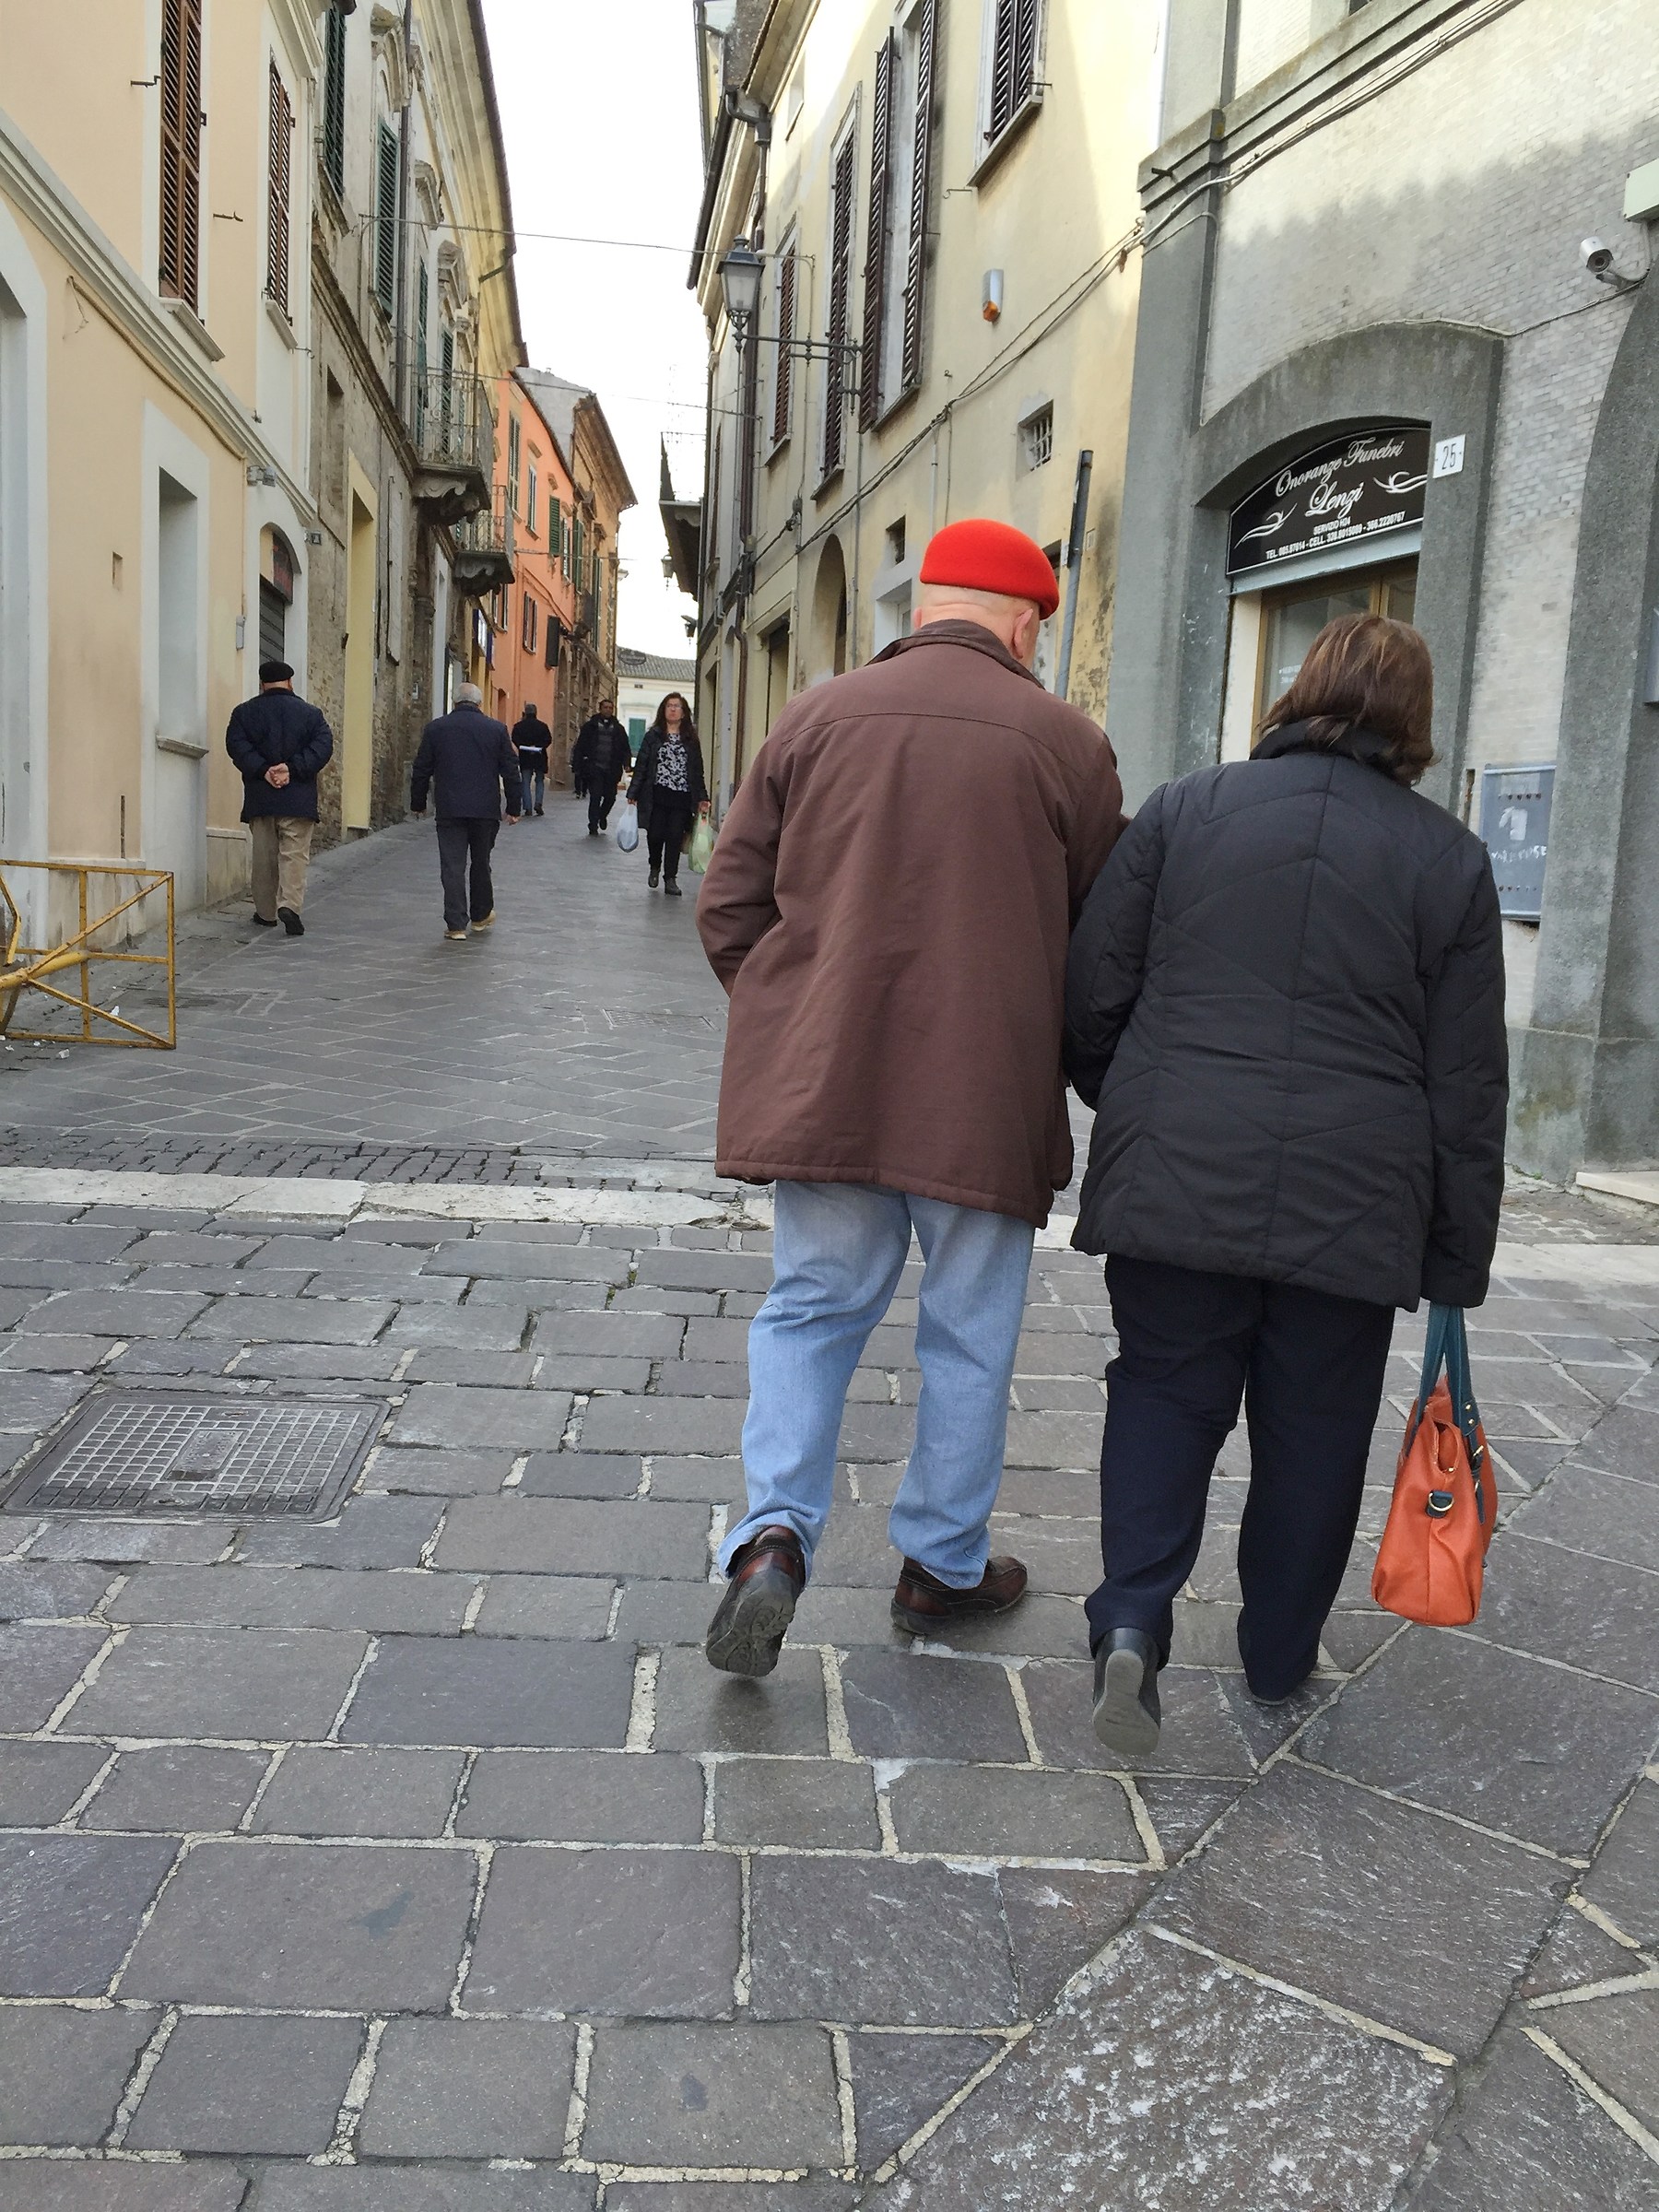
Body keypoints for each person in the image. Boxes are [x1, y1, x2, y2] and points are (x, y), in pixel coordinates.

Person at [1064, 612, 1508, 1758]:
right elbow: (1466, 1083)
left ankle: (1131, 1619)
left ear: (1297, 688)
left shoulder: (1186, 811)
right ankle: (1275, 1652)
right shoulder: (1449, 859)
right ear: (1412, 723)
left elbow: (1092, 992)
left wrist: (1145, 1101)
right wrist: (1456, 1257)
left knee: (1163, 1393)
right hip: (1356, 1200)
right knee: (1315, 1431)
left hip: (1178, 1174)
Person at [695, 520, 1124, 1676]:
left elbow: (728, 906)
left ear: (921, 606)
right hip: (982, 1098)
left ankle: (771, 1540)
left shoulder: (815, 717)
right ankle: (940, 1564)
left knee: (808, 1311)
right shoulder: (1067, 742)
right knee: (971, 1337)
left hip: (828, 1089)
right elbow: (1105, 948)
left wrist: (799, 1022)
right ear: (1028, 622)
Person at [224, 661, 335, 936]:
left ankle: (266, 913)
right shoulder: (311, 715)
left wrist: (263, 770)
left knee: (264, 857)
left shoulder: (243, 713)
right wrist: (291, 768)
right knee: (294, 855)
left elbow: (236, 746)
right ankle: (291, 906)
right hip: (298, 799)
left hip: (261, 798)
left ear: (262, 684)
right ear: (290, 682)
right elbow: (322, 747)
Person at [409, 682, 522, 940]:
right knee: (481, 863)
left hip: (449, 808)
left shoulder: (436, 729)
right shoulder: (496, 730)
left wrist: (418, 803)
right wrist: (513, 807)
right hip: (485, 809)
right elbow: (510, 770)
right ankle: (481, 916)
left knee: (452, 865)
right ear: (479, 703)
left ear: (454, 702)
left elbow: (422, 768)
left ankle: (456, 924)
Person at [628, 693, 708, 895]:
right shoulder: (653, 736)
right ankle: (654, 866)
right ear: (663, 711)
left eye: (677, 706)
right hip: (656, 794)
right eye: (669, 706)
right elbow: (643, 766)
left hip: (681, 796)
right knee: (655, 835)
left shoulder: (690, 739)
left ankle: (670, 878)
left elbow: (697, 770)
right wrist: (633, 792)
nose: (672, 709)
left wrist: (702, 797)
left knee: (674, 837)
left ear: (683, 712)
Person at [571, 700, 632, 837]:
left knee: (610, 798)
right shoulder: (590, 727)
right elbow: (580, 747)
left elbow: (625, 748)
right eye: (605, 707)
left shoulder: (619, 729)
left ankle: (602, 815)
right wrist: (578, 765)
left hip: (612, 769)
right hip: (595, 768)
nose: (608, 710)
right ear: (600, 709)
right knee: (595, 796)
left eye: (610, 708)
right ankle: (592, 825)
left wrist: (626, 763)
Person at [512, 703, 550, 818]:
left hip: (525, 756)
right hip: (539, 756)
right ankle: (538, 803)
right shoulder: (543, 726)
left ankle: (527, 807)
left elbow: (515, 739)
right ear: (536, 712)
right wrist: (538, 746)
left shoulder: (518, 726)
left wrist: (524, 747)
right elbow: (548, 739)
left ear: (525, 712)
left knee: (525, 782)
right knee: (539, 781)